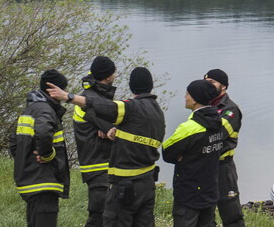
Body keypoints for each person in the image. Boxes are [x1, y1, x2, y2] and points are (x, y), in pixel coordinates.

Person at [48, 66, 165, 227]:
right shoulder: (156, 111)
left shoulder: (130, 107)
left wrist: (67, 96)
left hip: (125, 185)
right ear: (150, 86)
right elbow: (135, 131)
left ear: (132, 86)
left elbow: (101, 106)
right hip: (147, 183)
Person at [163, 80, 227, 227]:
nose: (184, 97)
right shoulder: (219, 123)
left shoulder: (189, 128)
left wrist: (182, 156)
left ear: (195, 100)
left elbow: (167, 152)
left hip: (189, 194)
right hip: (210, 191)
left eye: (187, 94)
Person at [12, 69, 71, 227]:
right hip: (44, 182)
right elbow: (44, 132)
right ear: (53, 89)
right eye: (63, 89)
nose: (65, 93)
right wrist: (47, 155)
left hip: (30, 180)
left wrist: (26, 161)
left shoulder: (29, 109)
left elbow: (13, 143)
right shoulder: (46, 110)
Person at [73, 56, 118, 227]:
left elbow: (111, 127)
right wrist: (109, 129)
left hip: (101, 164)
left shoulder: (94, 96)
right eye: (113, 72)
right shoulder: (89, 100)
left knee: (107, 215)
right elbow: (114, 131)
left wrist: (108, 128)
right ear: (108, 76)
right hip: (97, 165)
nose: (115, 75)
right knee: (98, 216)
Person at [204, 68, 244, 227]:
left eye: (212, 82)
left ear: (224, 86)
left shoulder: (231, 109)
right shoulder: (203, 107)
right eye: (206, 83)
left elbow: (217, 134)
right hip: (205, 166)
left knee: (231, 213)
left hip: (223, 167)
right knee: (205, 213)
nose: (208, 86)